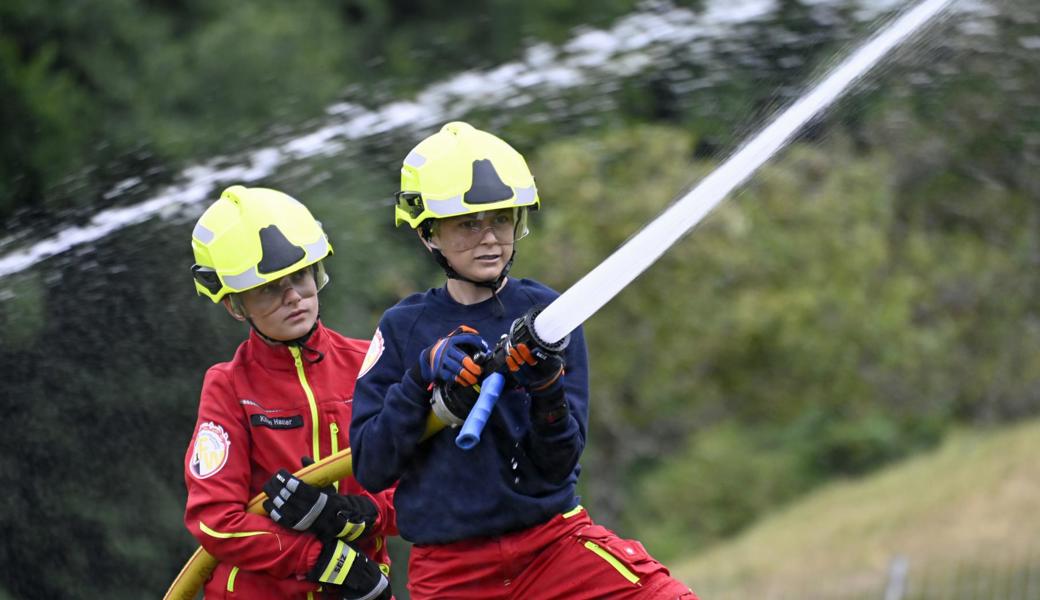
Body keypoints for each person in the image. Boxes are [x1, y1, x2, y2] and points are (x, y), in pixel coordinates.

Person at [349, 122, 698, 599]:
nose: (489, 238)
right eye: (468, 224)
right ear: (428, 234)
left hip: (553, 547)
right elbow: (370, 465)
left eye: (500, 219)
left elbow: (558, 467)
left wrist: (546, 390)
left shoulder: (552, 316)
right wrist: (422, 374)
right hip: (452, 573)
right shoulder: (401, 328)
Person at [183, 185, 395, 599]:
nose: (293, 297)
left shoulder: (370, 362)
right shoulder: (228, 387)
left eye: (299, 276)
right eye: (268, 288)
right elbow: (214, 521)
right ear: (234, 305)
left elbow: (420, 487)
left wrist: (364, 515)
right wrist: (321, 560)